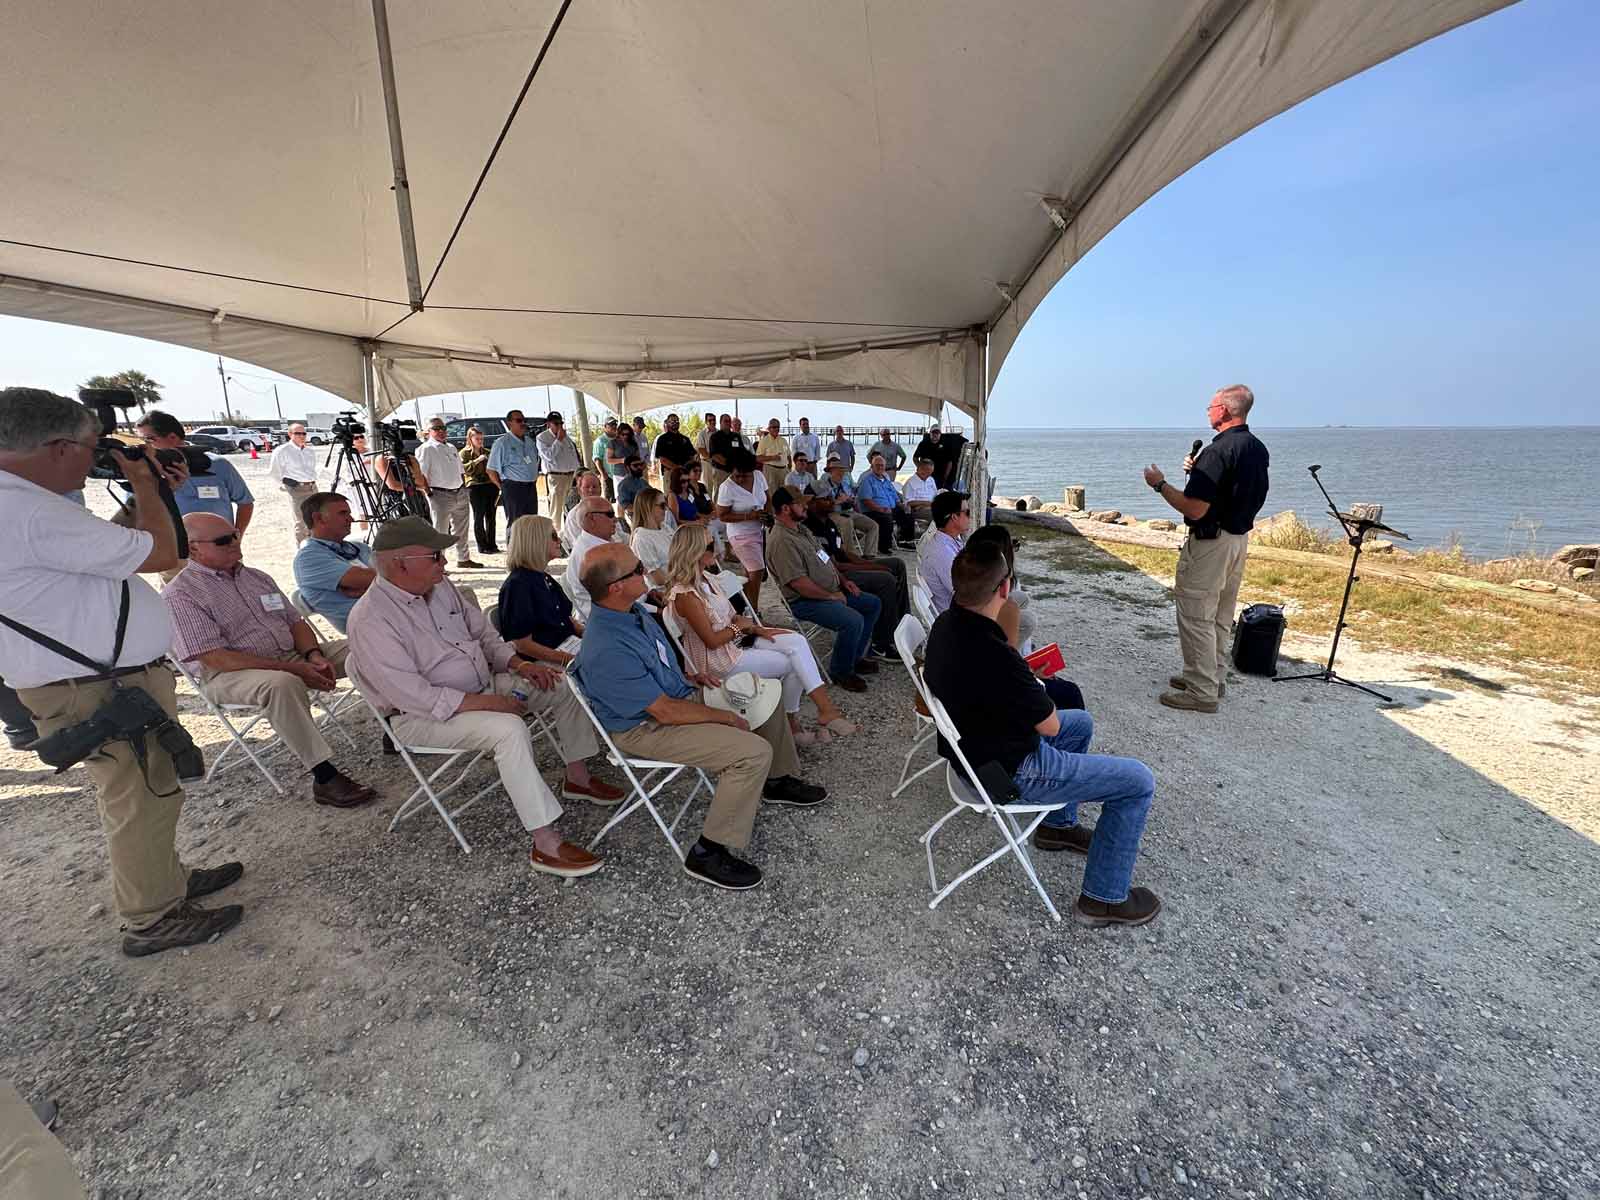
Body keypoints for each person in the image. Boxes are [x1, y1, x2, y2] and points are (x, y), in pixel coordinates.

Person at [0, 387, 243, 957]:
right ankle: (152, 915)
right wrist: (145, 487)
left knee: (147, 792)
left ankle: (165, 881)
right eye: (91, 449)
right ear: (59, 447)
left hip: (90, 679)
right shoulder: (27, 510)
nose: (96, 459)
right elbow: (162, 554)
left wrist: (148, 498)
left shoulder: (24, 504)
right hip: (96, 684)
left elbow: (114, 547)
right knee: (141, 796)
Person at [347, 517, 623, 876]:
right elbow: (418, 697)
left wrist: (520, 666)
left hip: (483, 685)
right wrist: (492, 702)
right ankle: (546, 843)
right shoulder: (371, 620)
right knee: (507, 728)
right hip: (420, 718)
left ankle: (578, 776)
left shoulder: (439, 586)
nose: (444, 563)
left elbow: (485, 635)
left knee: (561, 684)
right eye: (435, 556)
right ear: (401, 563)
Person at [923, 540, 1161, 927]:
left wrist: (1024, 683)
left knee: (1080, 722)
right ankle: (1102, 899)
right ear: (1004, 587)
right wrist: (1034, 683)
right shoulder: (994, 652)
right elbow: (1048, 724)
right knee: (1138, 781)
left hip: (973, 753)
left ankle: (1057, 827)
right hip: (1011, 772)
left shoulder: (947, 625)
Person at [574, 542, 827, 891]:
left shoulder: (632, 613)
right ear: (615, 587)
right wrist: (722, 718)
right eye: (636, 570)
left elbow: (659, 668)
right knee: (751, 752)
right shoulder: (607, 646)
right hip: (645, 728)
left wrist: (691, 678)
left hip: (672, 700)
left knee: (765, 694)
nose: (646, 573)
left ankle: (777, 780)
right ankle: (708, 852)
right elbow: (663, 711)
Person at [164, 513, 376, 807]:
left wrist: (313, 655)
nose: (235, 543)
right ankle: (325, 777)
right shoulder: (181, 594)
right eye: (224, 540)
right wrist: (293, 667)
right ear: (194, 548)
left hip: (288, 655)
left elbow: (295, 622)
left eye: (235, 534)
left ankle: (400, 720)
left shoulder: (256, 577)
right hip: (230, 673)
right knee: (281, 683)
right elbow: (215, 658)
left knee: (369, 646)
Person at [664, 524, 856, 746]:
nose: (716, 548)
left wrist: (757, 629)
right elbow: (712, 641)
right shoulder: (685, 595)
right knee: (794, 661)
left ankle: (817, 714)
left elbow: (734, 618)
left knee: (797, 641)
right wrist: (741, 627)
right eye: (709, 545)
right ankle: (798, 722)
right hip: (718, 662)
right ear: (693, 550)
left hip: (735, 644)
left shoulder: (706, 579)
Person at [1142, 385, 1270, 713]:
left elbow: (1195, 509)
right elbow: (1236, 491)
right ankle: (1212, 676)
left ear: (1226, 410)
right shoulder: (1255, 447)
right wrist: (1196, 474)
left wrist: (1160, 484)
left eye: (1212, 406)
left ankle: (1202, 691)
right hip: (1237, 541)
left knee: (1196, 612)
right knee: (1220, 614)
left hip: (1212, 542)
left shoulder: (1218, 451)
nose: (1208, 411)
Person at [765, 487, 883, 693]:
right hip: (805, 601)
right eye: (800, 503)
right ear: (785, 508)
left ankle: (854, 657)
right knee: (852, 620)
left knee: (872, 604)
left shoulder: (801, 529)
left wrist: (844, 580)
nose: (805, 506)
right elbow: (799, 584)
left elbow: (825, 559)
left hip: (829, 591)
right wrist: (831, 596)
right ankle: (841, 671)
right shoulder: (781, 540)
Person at [965, 523, 1086, 711]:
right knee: (1071, 695)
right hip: (1004, 700)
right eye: (1012, 546)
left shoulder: (967, 603)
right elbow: (1002, 674)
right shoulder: (994, 612)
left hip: (998, 680)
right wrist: (1032, 675)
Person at [130, 411, 254, 580]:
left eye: (149, 440)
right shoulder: (145, 472)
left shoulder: (217, 465)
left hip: (221, 550)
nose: (144, 447)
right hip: (174, 555)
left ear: (172, 437)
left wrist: (236, 537)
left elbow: (245, 502)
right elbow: (134, 514)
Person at [800, 495, 906, 660]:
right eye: (824, 499)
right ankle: (881, 643)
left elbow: (845, 553)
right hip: (839, 575)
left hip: (846, 568)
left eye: (830, 498)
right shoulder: (811, 528)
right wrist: (873, 568)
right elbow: (835, 565)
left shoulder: (829, 523)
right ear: (811, 503)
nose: (830, 501)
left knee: (897, 564)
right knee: (886, 579)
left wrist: (869, 563)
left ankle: (901, 624)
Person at [498, 515, 583, 667]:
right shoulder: (517, 586)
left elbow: (567, 619)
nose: (560, 541)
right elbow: (523, 645)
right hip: (545, 661)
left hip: (569, 647)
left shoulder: (543, 577)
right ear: (536, 540)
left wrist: (592, 637)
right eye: (554, 536)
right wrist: (569, 660)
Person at [292, 492, 377, 633]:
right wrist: (378, 578)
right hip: (370, 629)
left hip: (394, 614)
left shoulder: (357, 547)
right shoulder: (308, 558)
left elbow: (397, 572)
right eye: (343, 513)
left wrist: (369, 585)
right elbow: (393, 575)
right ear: (319, 519)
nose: (351, 519)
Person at [417, 418, 481, 569]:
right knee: (440, 532)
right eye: (436, 428)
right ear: (428, 432)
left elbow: (460, 471)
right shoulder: (426, 449)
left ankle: (463, 558)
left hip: (459, 492)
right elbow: (421, 475)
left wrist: (463, 488)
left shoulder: (451, 447)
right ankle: (438, 564)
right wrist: (429, 492)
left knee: (462, 529)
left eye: (443, 428)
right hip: (440, 494)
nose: (441, 431)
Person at [714, 450, 769, 611]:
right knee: (757, 571)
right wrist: (749, 516)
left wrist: (768, 515)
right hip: (740, 535)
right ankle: (755, 611)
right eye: (736, 475)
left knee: (749, 575)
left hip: (759, 531)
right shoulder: (727, 487)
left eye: (744, 475)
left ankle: (746, 609)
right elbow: (722, 516)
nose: (739, 479)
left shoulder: (759, 476)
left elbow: (768, 498)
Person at [565, 497, 622, 623]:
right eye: (610, 514)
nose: (615, 519)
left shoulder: (602, 542)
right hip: (610, 620)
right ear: (591, 519)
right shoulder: (589, 555)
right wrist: (654, 609)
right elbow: (615, 600)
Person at [812, 455, 878, 556]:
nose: (841, 474)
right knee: (847, 522)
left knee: (873, 525)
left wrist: (851, 500)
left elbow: (852, 499)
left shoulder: (844, 485)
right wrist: (837, 501)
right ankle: (849, 554)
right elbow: (821, 505)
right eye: (838, 472)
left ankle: (869, 554)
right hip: (832, 513)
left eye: (842, 472)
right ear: (831, 472)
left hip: (848, 511)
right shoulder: (824, 486)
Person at [268, 422, 321, 543]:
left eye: (304, 433)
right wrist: (285, 485)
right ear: (290, 434)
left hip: (313, 487)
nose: (302, 436)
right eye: (298, 433)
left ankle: (316, 548)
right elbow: (274, 471)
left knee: (316, 518)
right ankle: (303, 551)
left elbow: (312, 470)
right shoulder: (282, 450)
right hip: (297, 489)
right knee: (302, 521)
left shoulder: (309, 451)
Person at [919, 490, 970, 614]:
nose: (970, 516)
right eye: (967, 512)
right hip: (959, 615)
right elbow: (966, 594)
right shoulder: (941, 553)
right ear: (954, 517)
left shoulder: (949, 540)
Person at [487, 408, 541, 522]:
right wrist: (503, 488)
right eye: (519, 420)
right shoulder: (502, 443)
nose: (523, 423)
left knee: (531, 523)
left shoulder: (530, 442)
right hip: (513, 488)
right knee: (516, 524)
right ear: (509, 423)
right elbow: (491, 470)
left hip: (530, 487)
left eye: (524, 420)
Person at [856, 451, 916, 551]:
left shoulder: (886, 480)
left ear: (885, 466)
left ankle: (904, 542)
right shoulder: (867, 480)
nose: (880, 467)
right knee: (886, 518)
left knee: (907, 513)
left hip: (889, 508)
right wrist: (880, 509)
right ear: (872, 466)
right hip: (872, 510)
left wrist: (900, 504)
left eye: (882, 465)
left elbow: (893, 494)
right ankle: (884, 546)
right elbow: (866, 500)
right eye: (877, 465)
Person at [535, 410, 583, 519]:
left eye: (561, 423)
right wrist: (558, 440)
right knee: (556, 510)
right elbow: (549, 456)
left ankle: (568, 532)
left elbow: (573, 457)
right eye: (556, 424)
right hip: (556, 477)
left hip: (571, 476)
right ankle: (554, 533)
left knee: (571, 508)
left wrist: (578, 473)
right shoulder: (542, 438)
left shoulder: (566, 437)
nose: (559, 426)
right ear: (548, 424)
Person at [460, 426, 500, 554]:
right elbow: (464, 469)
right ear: (470, 439)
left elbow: (495, 467)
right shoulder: (464, 453)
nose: (480, 441)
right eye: (477, 439)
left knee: (491, 515)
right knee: (479, 516)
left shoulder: (487, 452)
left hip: (489, 485)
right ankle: (482, 546)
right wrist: (477, 460)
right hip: (475, 486)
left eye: (481, 439)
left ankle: (492, 544)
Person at [629, 486, 677, 586]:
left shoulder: (664, 527)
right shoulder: (642, 538)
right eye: (662, 505)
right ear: (648, 507)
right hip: (667, 590)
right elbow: (658, 579)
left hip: (680, 581)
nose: (666, 509)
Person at [560, 470, 606, 551]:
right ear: (579, 490)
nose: (591, 490)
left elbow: (618, 534)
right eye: (587, 487)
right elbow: (579, 545)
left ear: (600, 489)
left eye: (594, 487)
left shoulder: (605, 508)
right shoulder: (574, 516)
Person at [706, 413, 745, 499]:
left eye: (729, 421)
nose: (728, 423)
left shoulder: (736, 436)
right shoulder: (715, 437)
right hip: (720, 471)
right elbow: (714, 455)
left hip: (735, 471)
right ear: (720, 423)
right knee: (720, 494)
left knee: (735, 494)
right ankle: (717, 511)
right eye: (725, 421)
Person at [653, 412, 698, 478]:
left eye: (677, 421)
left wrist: (688, 468)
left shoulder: (685, 439)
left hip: (685, 474)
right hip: (670, 473)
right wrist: (678, 468)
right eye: (672, 421)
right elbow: (662, 460)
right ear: (667, 423)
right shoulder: (662, 439)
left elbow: (692, 456)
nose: (675, 422)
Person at [755, 418, 791, 496]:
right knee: (772, 494)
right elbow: (758, 458)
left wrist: (789, 468)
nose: (776, 429)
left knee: (784, 494)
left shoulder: (783, 440)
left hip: (784, 470)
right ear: (769, 428)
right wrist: (772, 457)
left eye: (778, 427)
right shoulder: (764, 441)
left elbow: (789, 455)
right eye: (774, 427)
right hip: (770, 470)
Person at [902, 456, 940, 525]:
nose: (928, 475)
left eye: (930, 472)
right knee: (937, 515)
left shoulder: (930, 480)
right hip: (918, 510)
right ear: (919, 469)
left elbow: (936, 495)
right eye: (927, 472)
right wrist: (926, 503)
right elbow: (908, 503)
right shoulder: (910, 482)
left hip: (932, 506)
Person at [591, 417, 617, 503]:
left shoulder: (619, 439)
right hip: (608, 477)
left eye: (615, 424)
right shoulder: (600, 441)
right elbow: (597, 459)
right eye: (611, 425)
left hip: (620, 475)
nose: (614, 426)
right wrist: (604, 475)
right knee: (609, 503)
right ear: (605, 427)